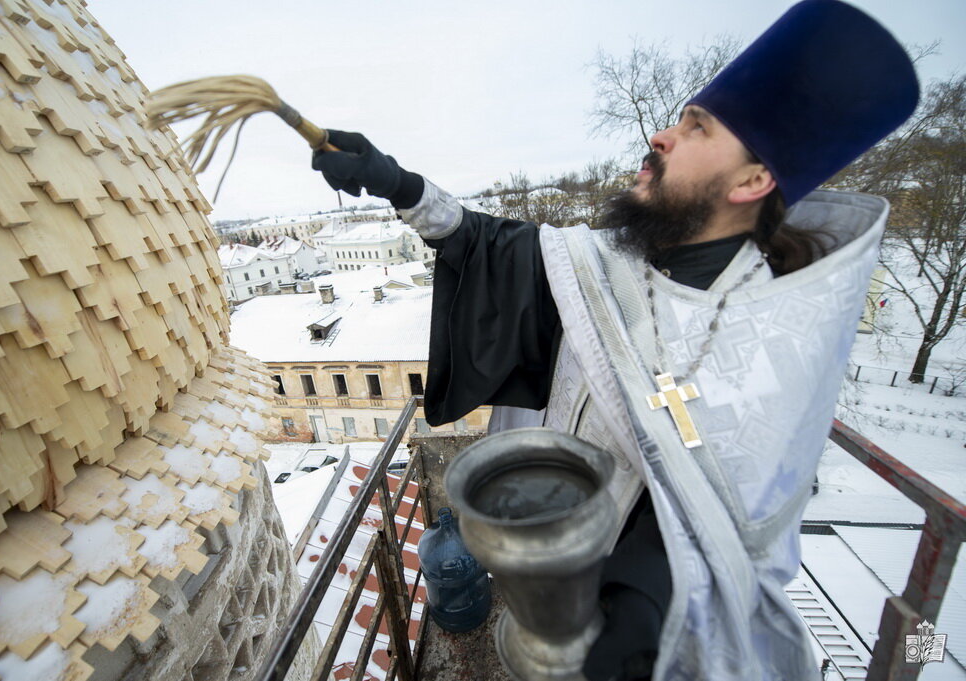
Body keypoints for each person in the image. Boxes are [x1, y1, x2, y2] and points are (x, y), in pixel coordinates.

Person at [311, 2, 918, 679]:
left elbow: (723, 509)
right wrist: (397, 184)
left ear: (753, 180)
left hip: (653, 631)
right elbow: (496, 246)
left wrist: (635, 607)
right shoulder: (609, 259)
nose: (660, 135)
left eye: (695, 128)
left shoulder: (770, 339)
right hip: (549, 568)